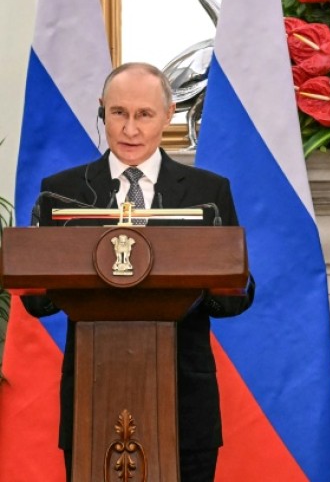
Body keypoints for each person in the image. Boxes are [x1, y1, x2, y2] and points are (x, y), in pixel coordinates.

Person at [22, 62, 255, 482]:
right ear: (101, 112)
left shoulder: (207, 193)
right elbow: (38, 302)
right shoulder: (63, 192)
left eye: (144, 114)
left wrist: (211, 274)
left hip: (186, 405)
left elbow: (234, 298)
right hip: (92, 403)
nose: (130, 128)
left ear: (168, 116)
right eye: (118, 113)